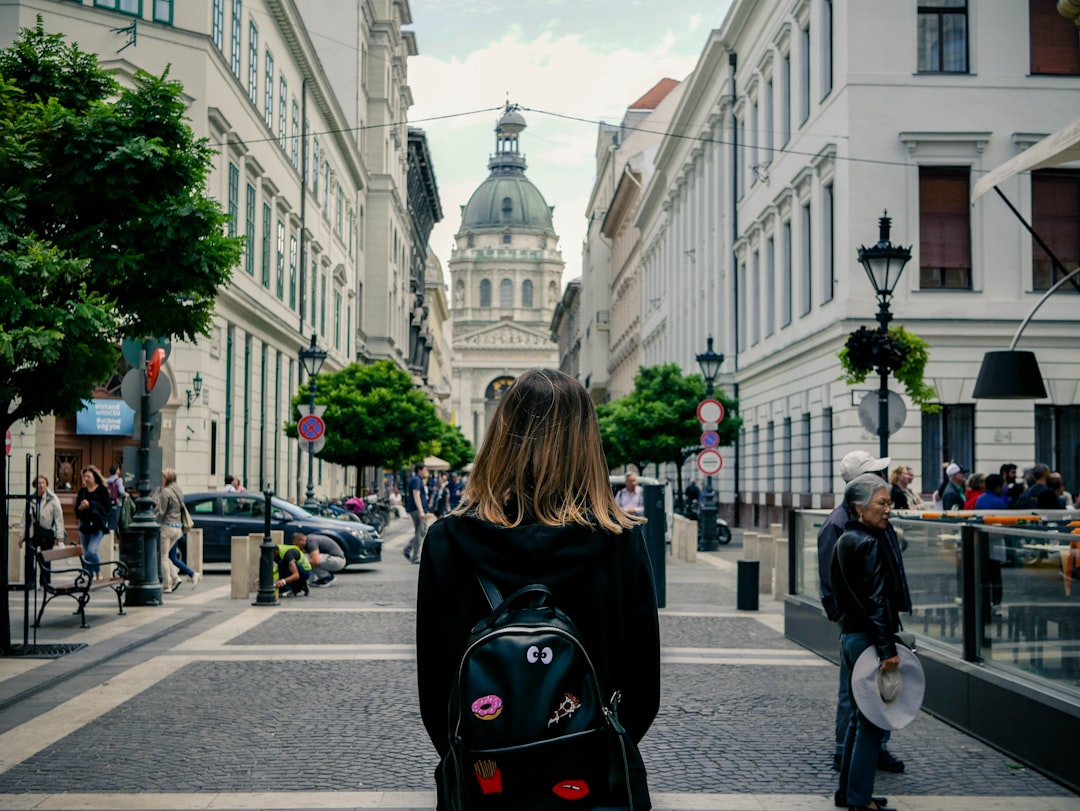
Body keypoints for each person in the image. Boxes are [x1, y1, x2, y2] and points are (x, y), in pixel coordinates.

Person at [416, 368, 660, 811]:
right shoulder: (620, 541)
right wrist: (584, 749)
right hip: (591, 782)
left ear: (500, 437)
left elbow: (436, 687)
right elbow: (642, 686)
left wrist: (484, 759)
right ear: (587, 443)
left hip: (481, 781)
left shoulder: (447, 540)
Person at [818, 450, 906, 775]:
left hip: (865, 622)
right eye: (872, 475)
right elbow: (842, 584)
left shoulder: (869, 522)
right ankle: (849, 756)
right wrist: (846, 617)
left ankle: (861, 761)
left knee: (863, 698)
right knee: (856, 697)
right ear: (859, 494)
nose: (886, 505)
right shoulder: (840, 525)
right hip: (860, 625)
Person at [832, 473, 913, 811]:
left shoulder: (847, 539)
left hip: (851, 637)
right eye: (881, 503)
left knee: (857, 718)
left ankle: (848, 793)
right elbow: (877, 602)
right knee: (871, 723)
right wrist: (887, 651)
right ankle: (859, 801)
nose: (888, 509)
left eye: (888, 502)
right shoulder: (869, 543)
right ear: (859, 507)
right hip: (867, 640)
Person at [21, 475, 66, 585]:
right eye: (39, 483)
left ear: (46, 484)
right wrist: (21, 536)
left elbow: (58, 517)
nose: (41, 485)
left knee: (46, 558)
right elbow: (25, 518)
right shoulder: (31, 498)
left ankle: (45, 581)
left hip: (47, 531)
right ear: (35, 485)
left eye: (43, 483)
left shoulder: (53, 498)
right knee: (29, 557)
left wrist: (60, 536)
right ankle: (30, 582)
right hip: (33, 532)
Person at [75, 465, 111, 580]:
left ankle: (98, 572)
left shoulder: (102, 490)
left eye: (88, 476)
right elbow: (76, 511)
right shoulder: (82, 492)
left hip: (98, 525)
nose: (86, 479)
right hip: (85, 525)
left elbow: (107, 508)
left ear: (95, 477)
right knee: (86, 553)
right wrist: (81, 507)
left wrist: (90, 505)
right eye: (84, 476)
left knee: (91, 550)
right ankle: (88, 575)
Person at [155, 468, 186, 593]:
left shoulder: (166, 492)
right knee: (166, 555)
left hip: (167, 527)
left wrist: (154, 517)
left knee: (162, 556)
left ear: (167, 478)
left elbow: (161, 513)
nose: (161, 480)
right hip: (177, 528)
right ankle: (175, 577)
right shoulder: (178, 490)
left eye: (162, 477)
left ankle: (167, 585)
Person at [403, 463, 428, 563]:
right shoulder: (417, 480)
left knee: (421, 532)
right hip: (417, 510)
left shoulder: (417, 479)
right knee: (420, 532)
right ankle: (415, 556)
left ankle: (408, 549)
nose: (426, 471)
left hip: (416, 509)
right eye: (425, 469)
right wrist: (421, 510)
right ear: (420, 470)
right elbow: (416, 495)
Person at [105, 465, 126, 533]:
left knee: (107, 521)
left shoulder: (106, 480)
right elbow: (121, 492)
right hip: (117, 503)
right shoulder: (119, 480)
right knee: (114, 521)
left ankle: (105, 537)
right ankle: (111, 538)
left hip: (107, 503)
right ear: (117, 471)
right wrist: (125, 494)